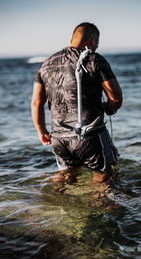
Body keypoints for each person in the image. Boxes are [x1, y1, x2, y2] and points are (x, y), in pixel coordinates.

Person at [31, 22, 122, 183]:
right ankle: (102, 208)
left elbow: (36, 103)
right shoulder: (94, 59)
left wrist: (41, 131)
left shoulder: (45, 65)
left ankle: (51, 204)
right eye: (96, 44)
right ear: (93, 41)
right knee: (104, 178)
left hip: (59, 138)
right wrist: (109, 109)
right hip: (89, 135)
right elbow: (116, 97)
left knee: (66, 179)